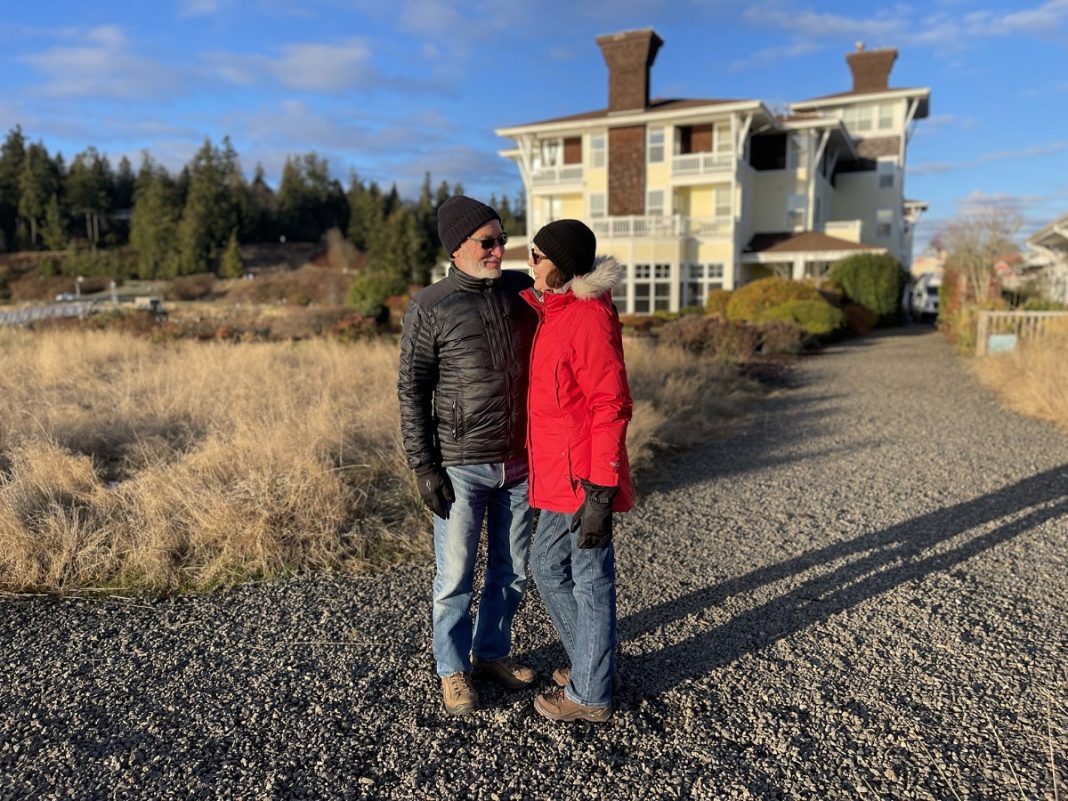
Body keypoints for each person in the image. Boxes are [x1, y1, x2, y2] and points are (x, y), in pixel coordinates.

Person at [397, 195, 539, 716]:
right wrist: (423, 465)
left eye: (503, 239)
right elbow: (412, 390)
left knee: (513, 569)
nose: (500, 249)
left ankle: (491, 653)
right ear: (457, 247)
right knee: (454, 576)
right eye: (488, 242)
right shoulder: (430, 306)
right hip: (461, 465)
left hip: (523, 461)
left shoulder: (524, 291)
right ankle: (452, 669)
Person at [521, 219, 633, 723]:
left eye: (536, 255)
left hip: (584, 478)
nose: (530, 263)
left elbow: (610, 403)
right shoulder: (557, 311)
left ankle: (590, 696)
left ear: (561, 265)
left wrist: (601, 489)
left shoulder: (586, 316)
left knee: (590, 580)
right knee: (546, 565)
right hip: (558, 474)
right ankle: (593, 666)